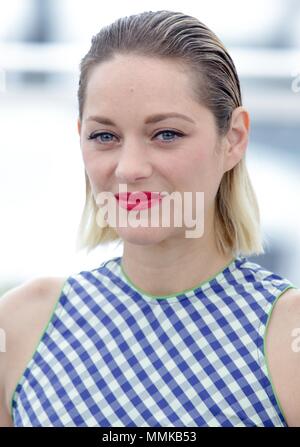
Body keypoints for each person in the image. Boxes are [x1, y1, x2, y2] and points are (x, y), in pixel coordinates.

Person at [0, 10, 299, 428]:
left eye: (166, 134)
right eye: (105, 136)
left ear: (233, 139)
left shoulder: (287, 336)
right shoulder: (19, 327)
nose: (129, 168)